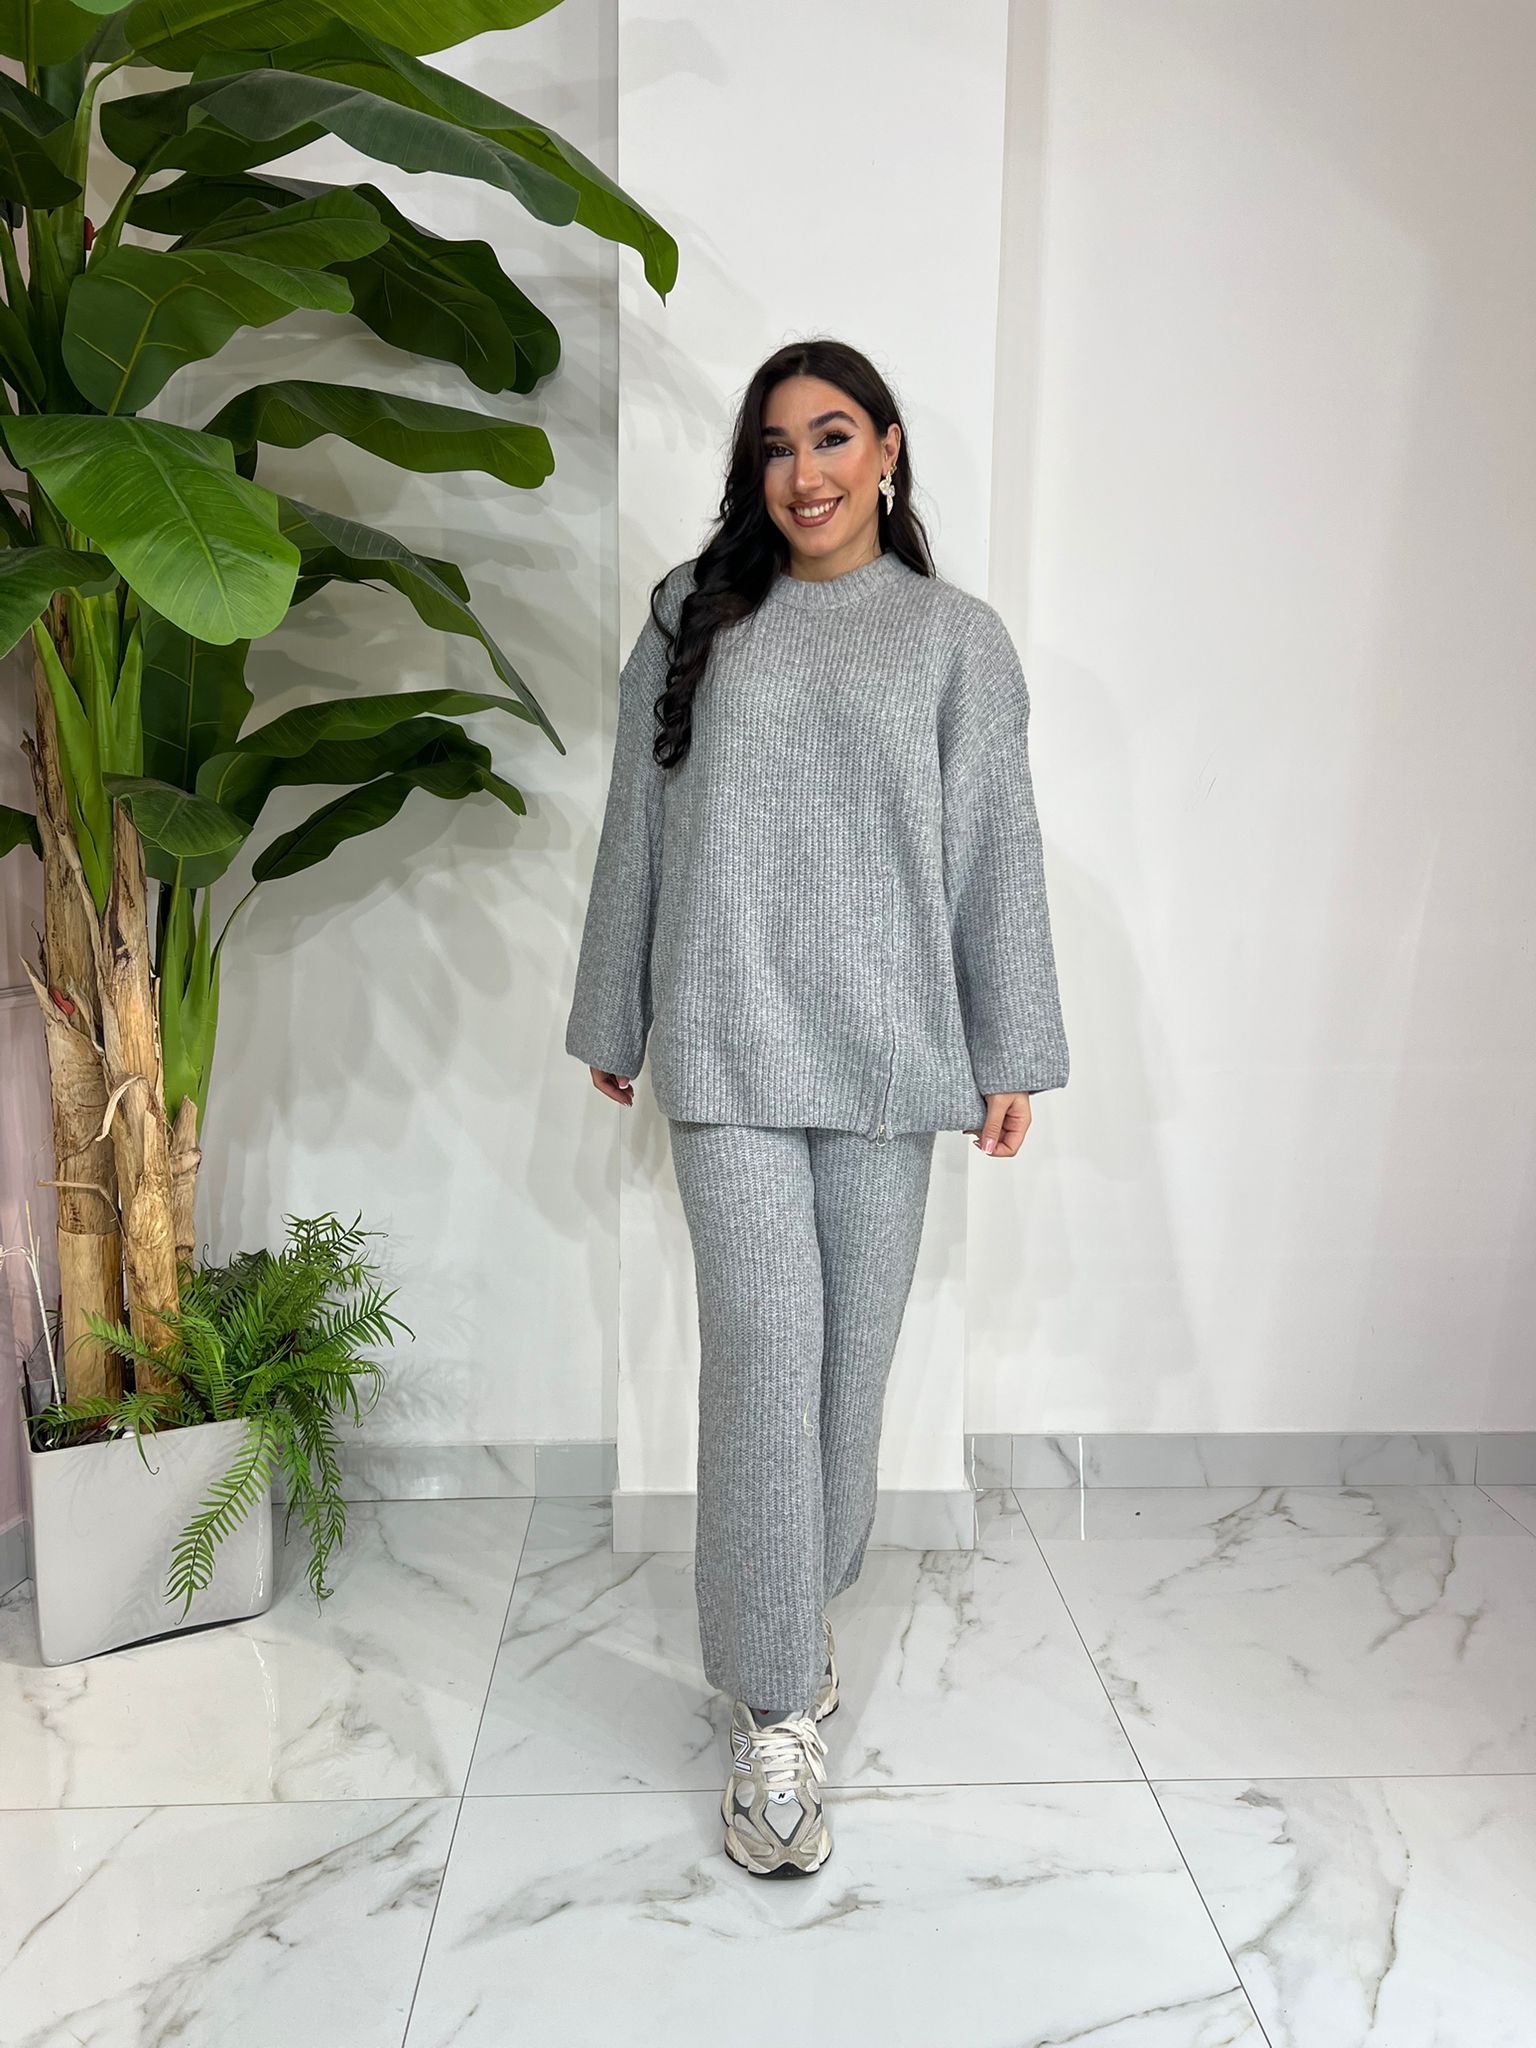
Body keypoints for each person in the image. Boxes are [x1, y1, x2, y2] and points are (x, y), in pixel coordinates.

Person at [565, 337, 1069, 1879]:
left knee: (852, 1378)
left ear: (889, 450)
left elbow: (995, 848)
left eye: (834, 438)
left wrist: (1010, 1048)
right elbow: (637, 824)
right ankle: (773, 1708)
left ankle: (795, 1606)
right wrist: (614, 1012)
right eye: (778, 447)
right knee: (765, 1361)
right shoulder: (693, 617)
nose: (806, 473)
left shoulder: (957, 642)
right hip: (726, 1049)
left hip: (888, 1059)